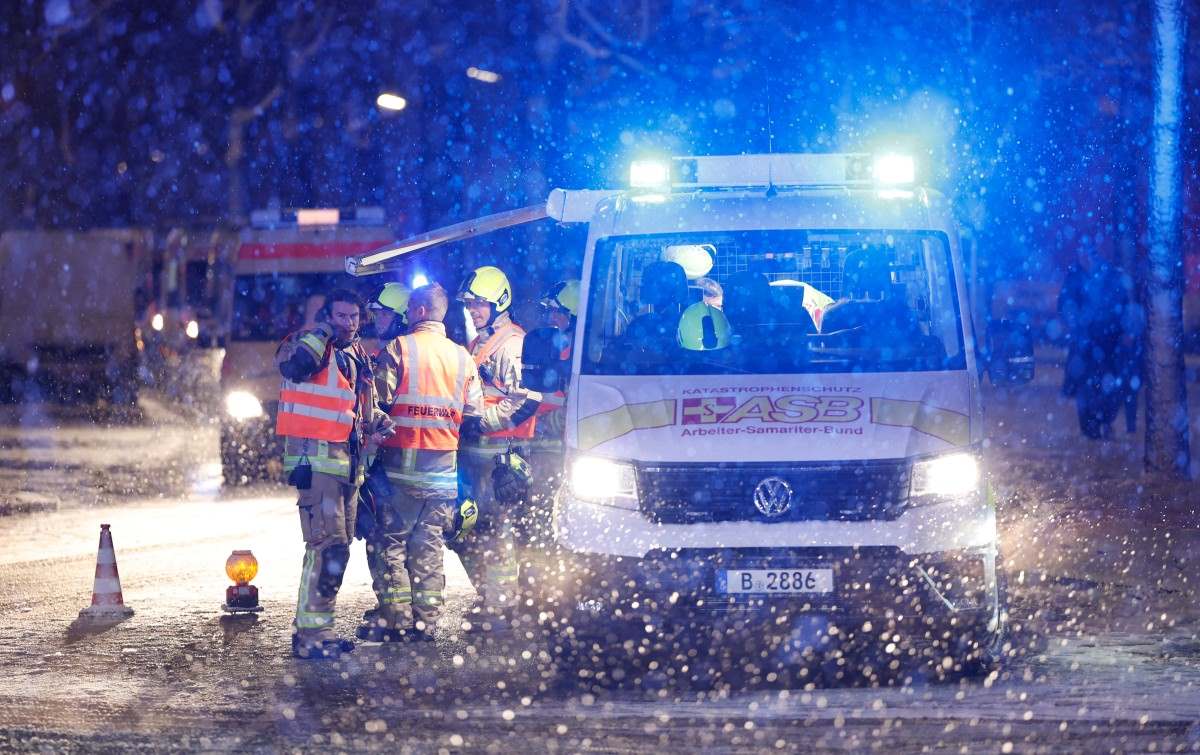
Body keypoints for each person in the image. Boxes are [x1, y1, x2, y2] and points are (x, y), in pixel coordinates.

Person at [359, 283, 482, 643]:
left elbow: (376, 403)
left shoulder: (401, 348)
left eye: (411, 308)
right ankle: (427, 622)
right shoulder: (462, 356)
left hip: (400, 472)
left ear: (421, 312)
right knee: (429, 549)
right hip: (444, 475)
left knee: (390, 545)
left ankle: (397, 619)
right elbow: (474, 414)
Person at [275, 288, 393, 659]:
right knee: (326, 548)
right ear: (327, 316)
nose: (349, 323)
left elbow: (360, 405)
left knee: (337, 550)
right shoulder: (309, 345)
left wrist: (378, 424)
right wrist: (323, 331)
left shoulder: (355, 353)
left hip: (346, 466)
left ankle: (318, 631)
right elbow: (293, 366)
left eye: (354, 317)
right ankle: (311, 636)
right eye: (341, 316)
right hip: (316, 463)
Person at [453, 265, 541, 626]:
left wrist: (482, 424)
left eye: (479, 304)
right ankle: (490, 598)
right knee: (468, 527)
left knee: (497, 531)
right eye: (470, 304)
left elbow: (526, 398)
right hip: (476, 449)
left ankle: (501, 606)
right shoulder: (479, 342)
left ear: (498, 303)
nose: (473, 310)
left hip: (499, 451)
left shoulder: (512, 343)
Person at [1057, 248, 1138, 439]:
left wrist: (1125, 329)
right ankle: (1091, 426)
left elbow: (1122, 304)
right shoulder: (1077, 276)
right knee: (1087, 387)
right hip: (1087, 341)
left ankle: (1101, 422)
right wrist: (1074, 321)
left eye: (1087, 254)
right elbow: (1066, 302)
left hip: (1106, 341)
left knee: (1106, 385)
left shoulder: (1109, 277)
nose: (1084, 258)